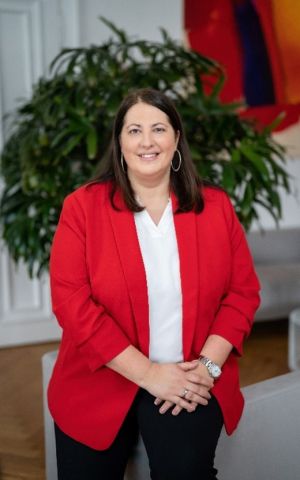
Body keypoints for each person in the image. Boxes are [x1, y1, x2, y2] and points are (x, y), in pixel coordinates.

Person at [48, 88, 260, 480]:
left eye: (158, 128)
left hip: (189, 377)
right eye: (134, 130)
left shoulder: (215, 206)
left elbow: (243, 292)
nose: (147, 141)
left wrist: (208, 368)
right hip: (102, 377)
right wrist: (148, 374)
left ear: (176, 139)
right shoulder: (82, 208)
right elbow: (71, 303)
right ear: (120, 142)